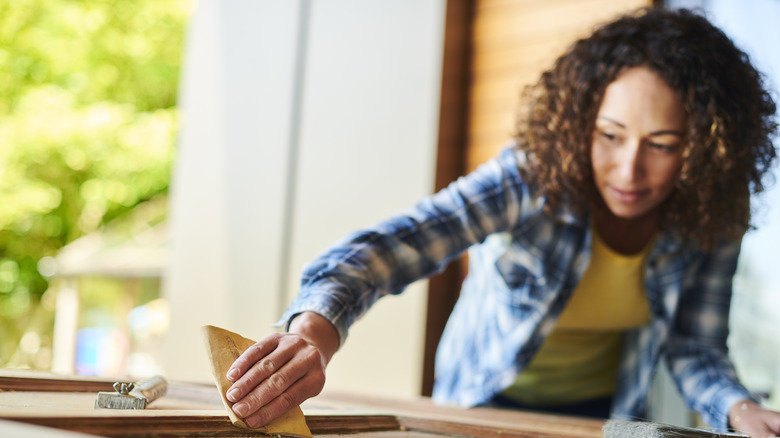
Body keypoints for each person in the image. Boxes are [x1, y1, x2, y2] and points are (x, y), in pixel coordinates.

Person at [221, 7, 780, 436]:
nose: (629, 169)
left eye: (662, 145)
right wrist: (313, 335)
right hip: (476, 408)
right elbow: (386, 250)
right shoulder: (530, 178)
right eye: (609, 136)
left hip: (598, 418)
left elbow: (694, 346)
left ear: (705, 152)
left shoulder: (712, 212)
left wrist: (741, 409)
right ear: (581, 120)